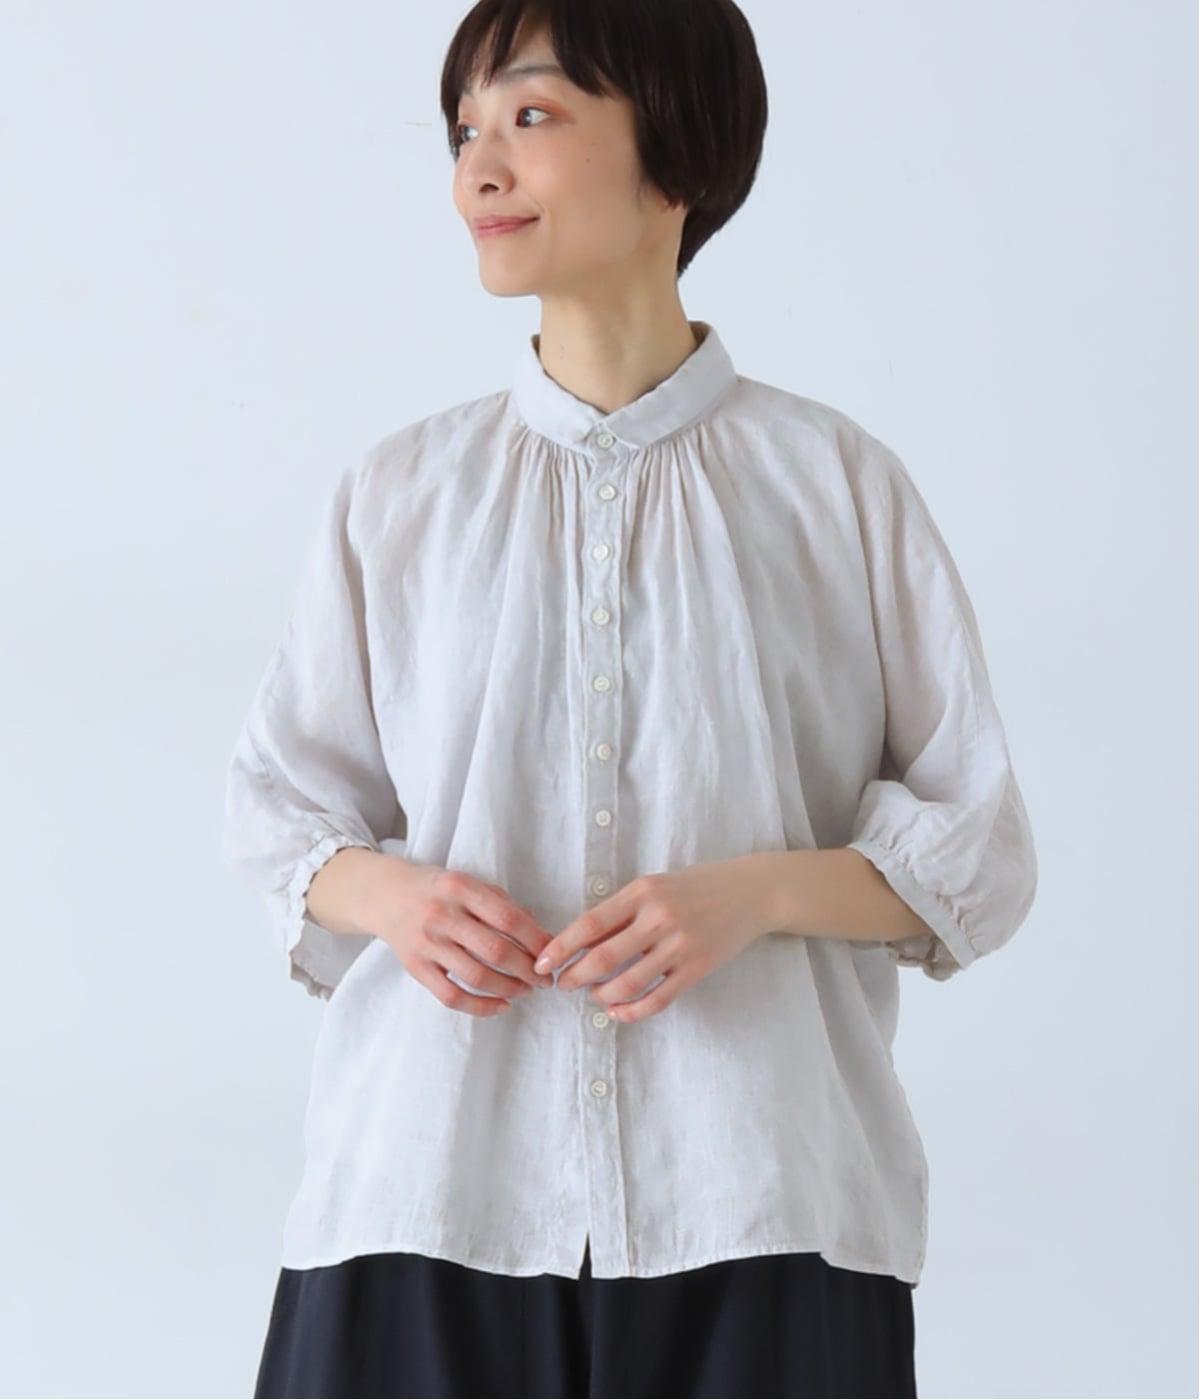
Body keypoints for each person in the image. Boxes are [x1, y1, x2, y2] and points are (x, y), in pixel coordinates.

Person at [222, 1, 1039, 1395]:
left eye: (532, 116)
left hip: (760, 1202)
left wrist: (755, 895)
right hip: (426, 1197)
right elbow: (274, 814)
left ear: (678, 149)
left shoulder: (835, 487)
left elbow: (981, 848)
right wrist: (399, 901)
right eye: (464, 130)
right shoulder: (399, 496)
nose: (479, 169)